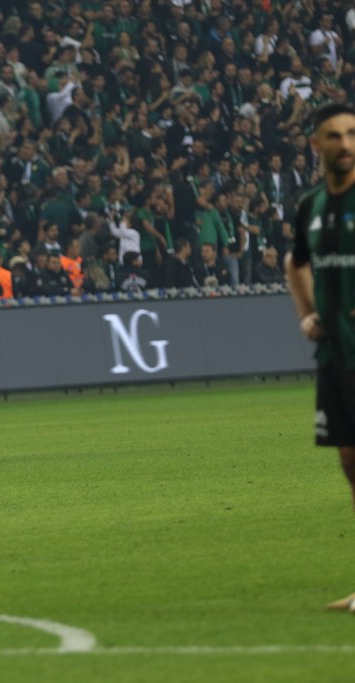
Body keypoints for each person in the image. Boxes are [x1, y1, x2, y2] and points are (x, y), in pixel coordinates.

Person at [285, 103, 355, 612]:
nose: (345, 143)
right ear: (316, 145)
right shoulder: (310, 205)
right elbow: (296, 263)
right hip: (336, 355)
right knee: (350, 463)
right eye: (334, 135)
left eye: (352, 134)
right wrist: (308, 313)